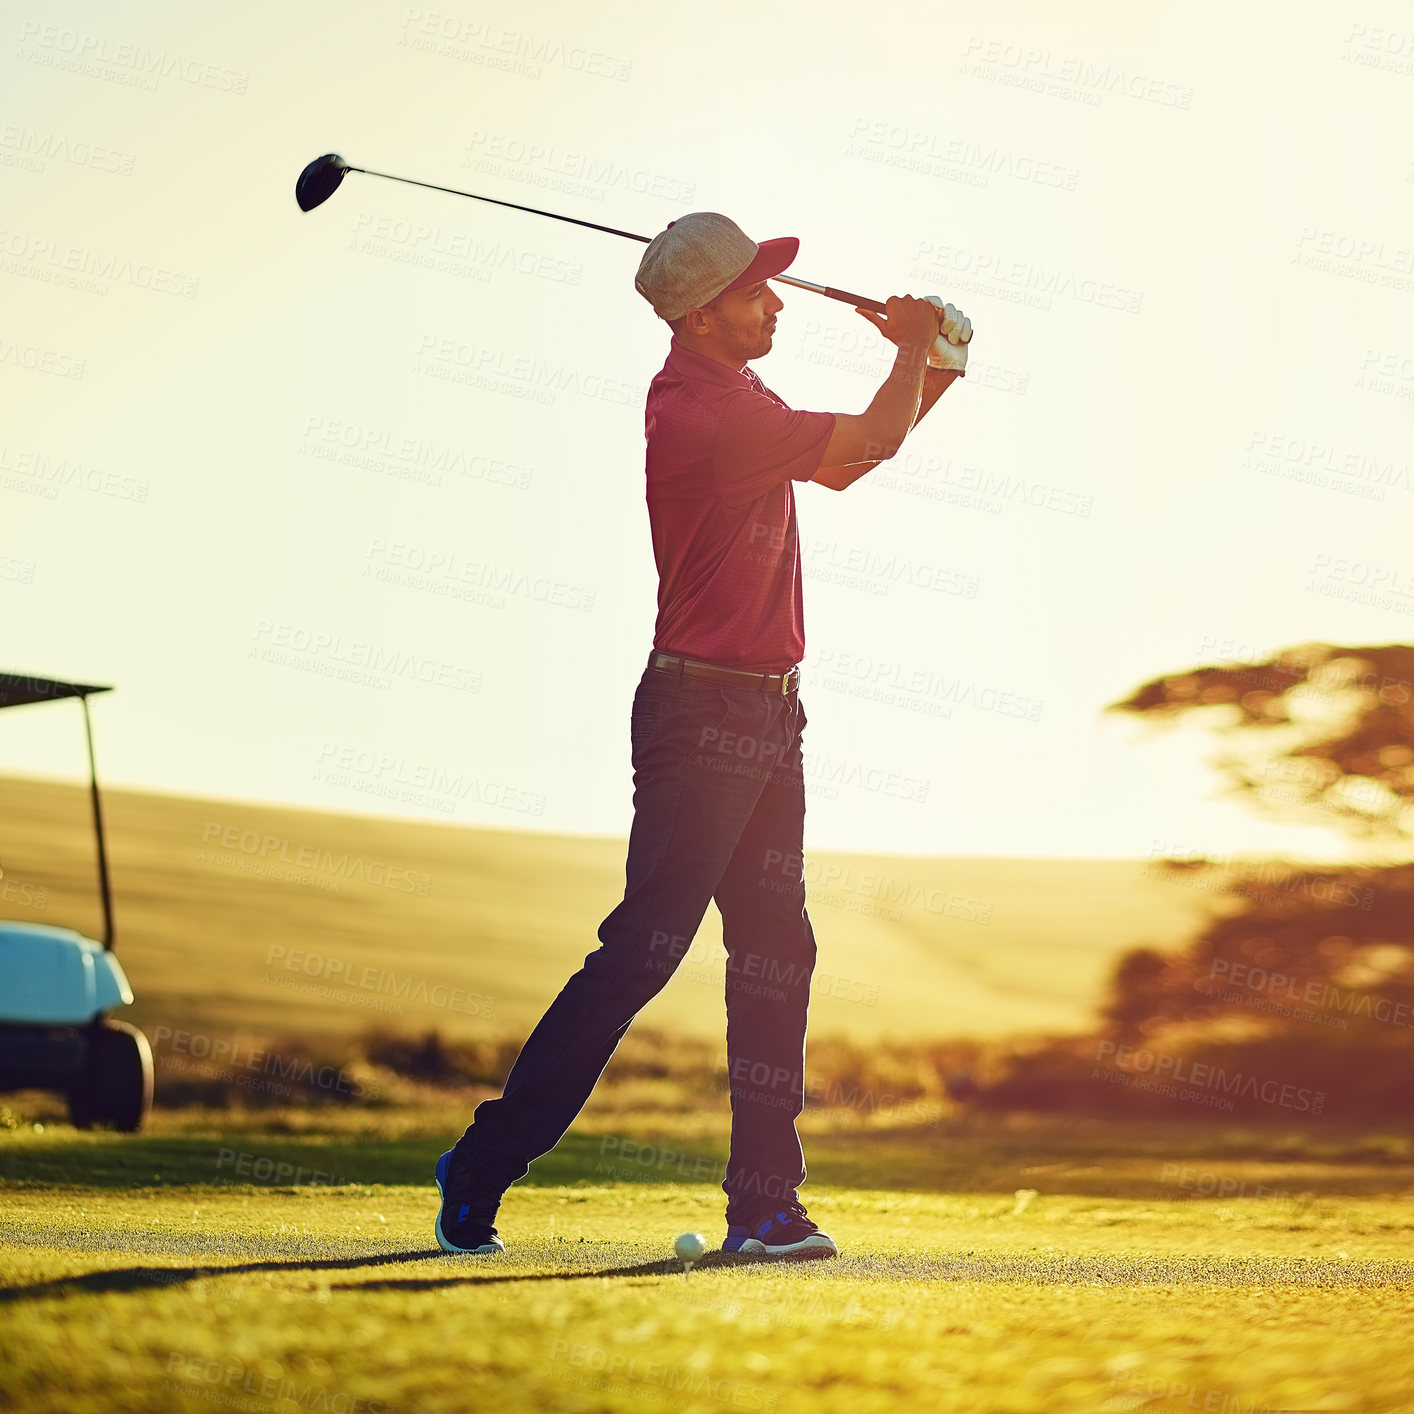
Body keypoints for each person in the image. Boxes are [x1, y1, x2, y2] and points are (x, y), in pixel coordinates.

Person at [434, 210, 972, 1259]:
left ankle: (765, 1208)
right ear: (700, 313)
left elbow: (862, 448)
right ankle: (484, 1163)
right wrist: (919, 354)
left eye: (773, 286)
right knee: (646, 949)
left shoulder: (740, 391)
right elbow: (864, 446)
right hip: (703, 712)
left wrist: (934, 361)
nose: (775, 302)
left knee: (776, 953)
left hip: (769, 707)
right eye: (755, 291)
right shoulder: (701, 411)